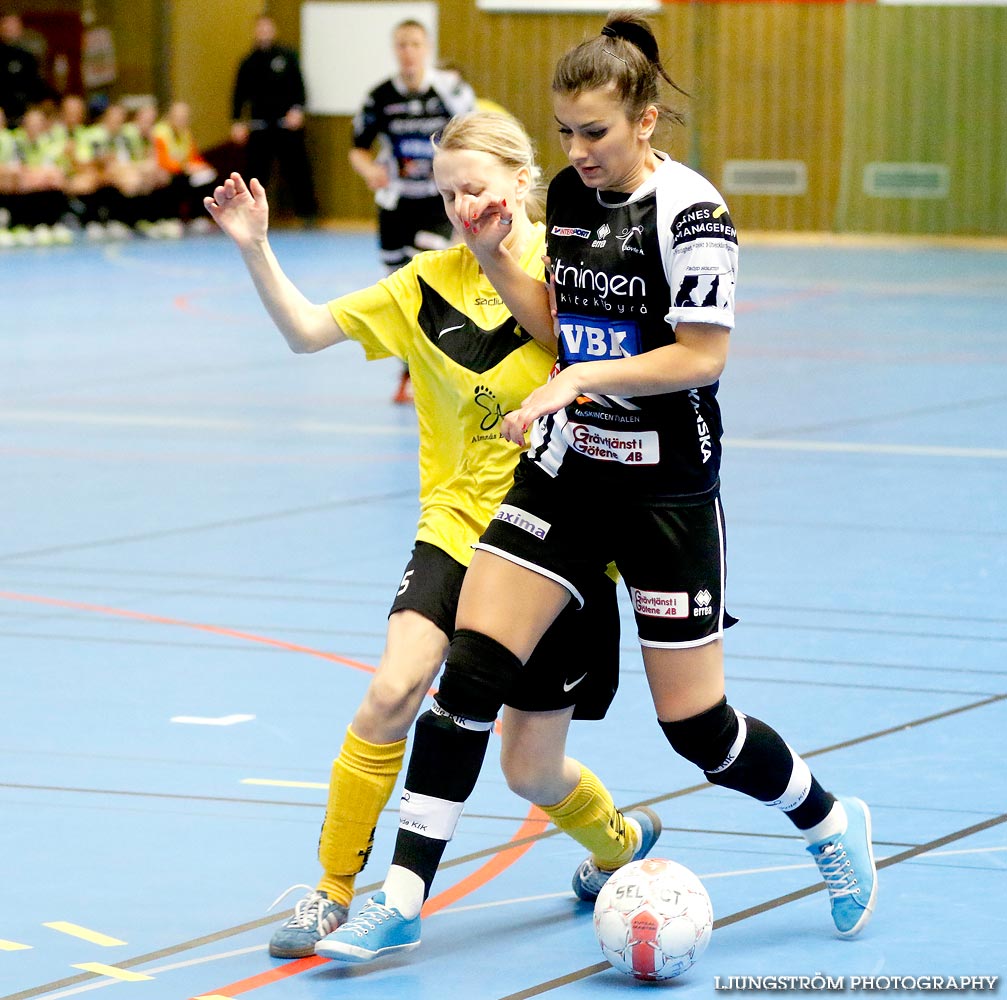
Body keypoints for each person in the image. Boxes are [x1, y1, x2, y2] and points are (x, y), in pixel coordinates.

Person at [318, 11, 878, 966]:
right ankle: (402, 895)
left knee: (697, 729)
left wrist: (577, 376)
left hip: (666, 496)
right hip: (569, 474)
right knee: (471, 672)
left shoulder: (692, 214)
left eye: (595, 133)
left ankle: (828, 822)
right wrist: (498, 255)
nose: (576, 152)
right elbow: (560, 315)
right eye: (565, 133)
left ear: (645, 121)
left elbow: (700, 358)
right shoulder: (571, 204)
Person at [204, 110, 660, 962]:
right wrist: (254, 246)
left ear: (522, 182)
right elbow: (307, 332)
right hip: (455, 532)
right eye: (447, 192)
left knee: (529, 769)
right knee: (390, 693)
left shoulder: (577, 274)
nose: (461, 205)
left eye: (476, 188)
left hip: (552, 543)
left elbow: (615, 371)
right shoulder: (423, 284)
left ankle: (620, 844)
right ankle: (333, 891)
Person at [348, 18, 476, 404]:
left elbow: (474, 139)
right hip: (395, 205)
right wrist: (370, 170)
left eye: (415, 44)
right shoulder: (379, 97)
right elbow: (357, 148)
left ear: (427, 48)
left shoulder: (451, 92)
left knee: (429, 284)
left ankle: (438, 371)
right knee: (398, 290)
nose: (409, 52)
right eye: (402, 45)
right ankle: (409, 370)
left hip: (438, 204)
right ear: (395, 50)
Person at [230, 14, 317, 225]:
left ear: (274, 30)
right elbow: (239, 94)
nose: (263, 32)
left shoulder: (287, 56)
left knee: (297, 170)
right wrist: (237, 121)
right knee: (256, 174)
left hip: (286, 124)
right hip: (260, 125)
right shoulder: (248, 62)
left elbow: (300, 87)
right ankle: (251, 215)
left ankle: (307, 214)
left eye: (267, 28)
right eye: (259, 28)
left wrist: (297, 110)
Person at [0, 13, 54, 126]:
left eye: (13, 26)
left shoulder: (27, 57)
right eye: (6, 26)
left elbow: (37, 84)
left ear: (20, 28)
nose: (9, 29)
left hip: (25, 110)